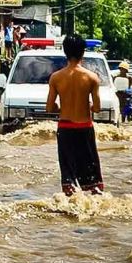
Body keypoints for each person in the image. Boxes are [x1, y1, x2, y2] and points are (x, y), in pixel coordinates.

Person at [46, 35, 104, 196]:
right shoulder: (92, 77)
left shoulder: (56, 77)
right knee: (92, 180)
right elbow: (98, 108)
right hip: (85, 127)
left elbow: (49, 107)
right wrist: (86, 106)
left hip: (65, 128)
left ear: (65, 52)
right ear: (83, 52)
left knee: (68, 176)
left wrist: (63, 107)